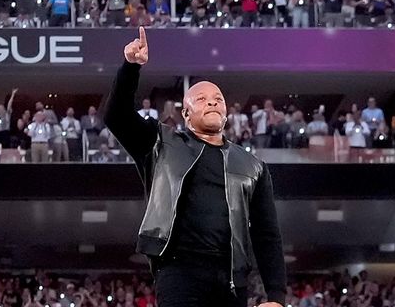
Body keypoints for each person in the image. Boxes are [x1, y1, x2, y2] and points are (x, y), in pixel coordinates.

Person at [104, 28, 285, 307]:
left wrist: (276, 296)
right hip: (179, 271)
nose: (212, 101)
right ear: (186, 115)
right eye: (201, 99)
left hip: (231, 279)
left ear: (226, 113)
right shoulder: (161, 142)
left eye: (218, 98)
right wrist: (130, 68)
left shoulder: (253, 166)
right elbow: (116, 116)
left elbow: (266, 233)